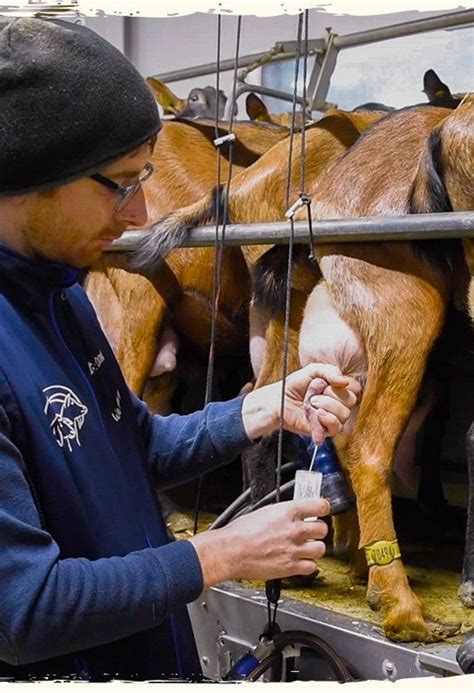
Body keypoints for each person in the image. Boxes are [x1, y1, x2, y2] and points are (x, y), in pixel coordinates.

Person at [0, 17, 360, 681]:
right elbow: (24, 610)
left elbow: (134, 445)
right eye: (122, 183)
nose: (140, 217)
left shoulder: (61, 296)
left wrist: (257, 409)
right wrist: (219, 554)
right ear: (30, 175)